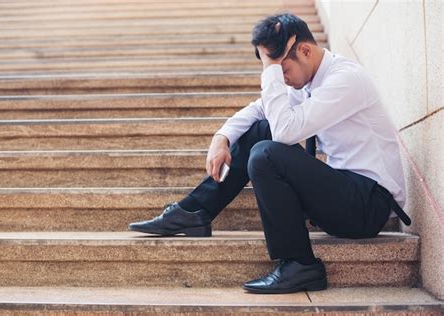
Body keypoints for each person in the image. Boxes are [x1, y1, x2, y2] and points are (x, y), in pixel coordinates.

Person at [129, 12, 411, 294]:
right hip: (342, 195)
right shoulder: (307, 80)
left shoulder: (346, 80)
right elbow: (260, 109)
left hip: (368, 206)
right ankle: (195, 211)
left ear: (304, 50)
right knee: (260, 130)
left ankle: (300, 265)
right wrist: (222, 136)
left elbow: (286, 133)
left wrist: (271, 69)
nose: (282, 79)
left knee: (266, 153)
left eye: (282, 69)